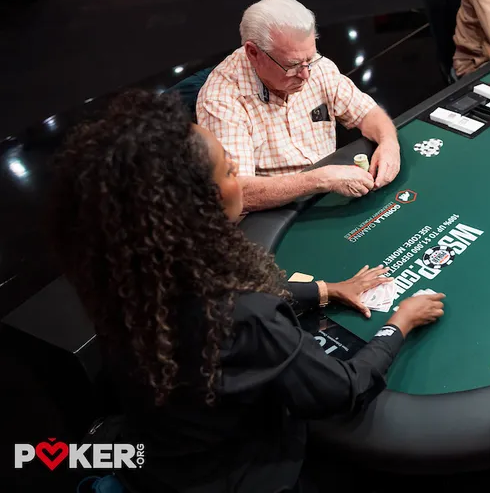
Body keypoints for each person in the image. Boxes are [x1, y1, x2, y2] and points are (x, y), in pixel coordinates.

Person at [50, 90, 445, 493]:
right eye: (226, 168)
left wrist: (326, 290)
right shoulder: (246, 314)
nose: (238, 170)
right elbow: (341, 391)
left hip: (161, 467)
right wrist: (399, 323)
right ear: (200, 202)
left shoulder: (130, 281)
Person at [197, 0, 400, 213]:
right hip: (274, 216)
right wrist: (321, 179)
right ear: (253, 53)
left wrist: (388, 142)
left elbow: (367, 113)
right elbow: (237, 193)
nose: (305, 74)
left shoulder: (315, 67)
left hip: (327, 195)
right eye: (292, 65)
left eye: (310, 59)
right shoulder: (221, 99)